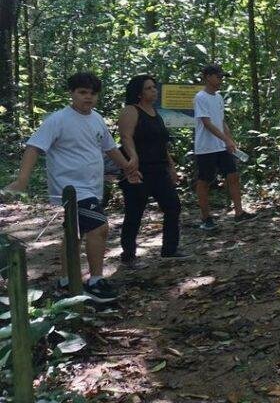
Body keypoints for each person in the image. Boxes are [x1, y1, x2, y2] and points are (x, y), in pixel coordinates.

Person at [5, 72, 139, 302]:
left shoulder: (96, 119)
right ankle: (96, 281)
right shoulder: (58, 119)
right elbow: (34, 147)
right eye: (82, 92)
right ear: (72, 94)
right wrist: (22, 180)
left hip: (92, 187)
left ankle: (66, 281)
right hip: (70, 189)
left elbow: (109, 148)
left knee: (73, 235)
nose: (88, 97)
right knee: (99, 228)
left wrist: (128, 167)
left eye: (93, 93)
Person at [117, 75, 187, 268]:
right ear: (139, 92)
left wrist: (171, 167)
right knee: (134, 212)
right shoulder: (130, 111)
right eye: (149, 88)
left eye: (154, 87)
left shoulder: (156, 113)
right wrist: (133, 159)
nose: (154, 91)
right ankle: (128, 255)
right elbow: (126, 136)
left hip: (159, 169)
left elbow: (162, 144)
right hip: (138, 171)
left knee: (173, 206)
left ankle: (169, 249)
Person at [193, 64, 255, 230]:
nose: (221, 80)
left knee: (233, 175)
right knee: (205, 180)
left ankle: (239, 213)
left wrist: (230, 140)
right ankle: (206, 218)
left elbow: (221, 121)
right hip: (206, 147)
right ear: (207, 77)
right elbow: (206, 123)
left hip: (221, 146)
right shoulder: (201, 97)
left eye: (222, 77)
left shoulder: (218, 97)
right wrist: (225, 139)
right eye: (218, 76)